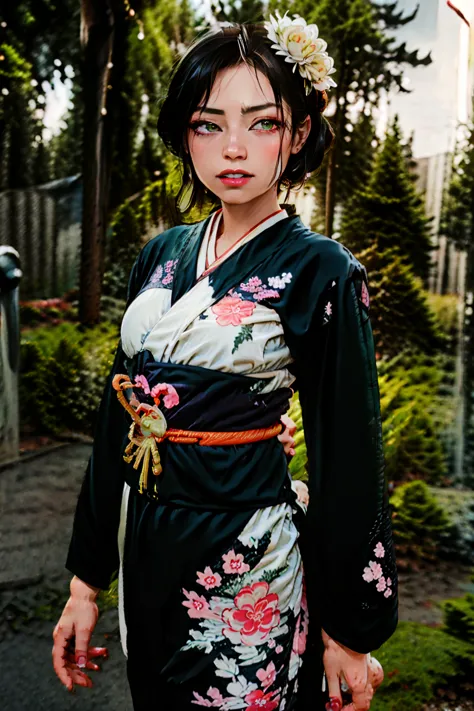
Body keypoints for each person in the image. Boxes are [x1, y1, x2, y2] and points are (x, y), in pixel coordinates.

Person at [52, 13, 398, 711]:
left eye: (262, 123)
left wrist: (350, 634)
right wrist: (85, 582)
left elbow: (350, 457)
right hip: (146, 538)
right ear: (185, 133)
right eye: (209, 123)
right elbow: (114, 425)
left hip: (242, 556)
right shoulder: (160, 254)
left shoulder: (321, 269)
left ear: (297, 133)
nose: (233, 147)